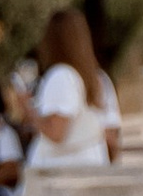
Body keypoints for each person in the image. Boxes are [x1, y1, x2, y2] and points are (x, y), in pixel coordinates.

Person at [23, 9, 121, 175]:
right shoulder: (99, 78)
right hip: (92, 163)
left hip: (61, 172)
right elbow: (111, 136)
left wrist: (28, 109)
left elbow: (56, 133)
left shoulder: (61, 76)